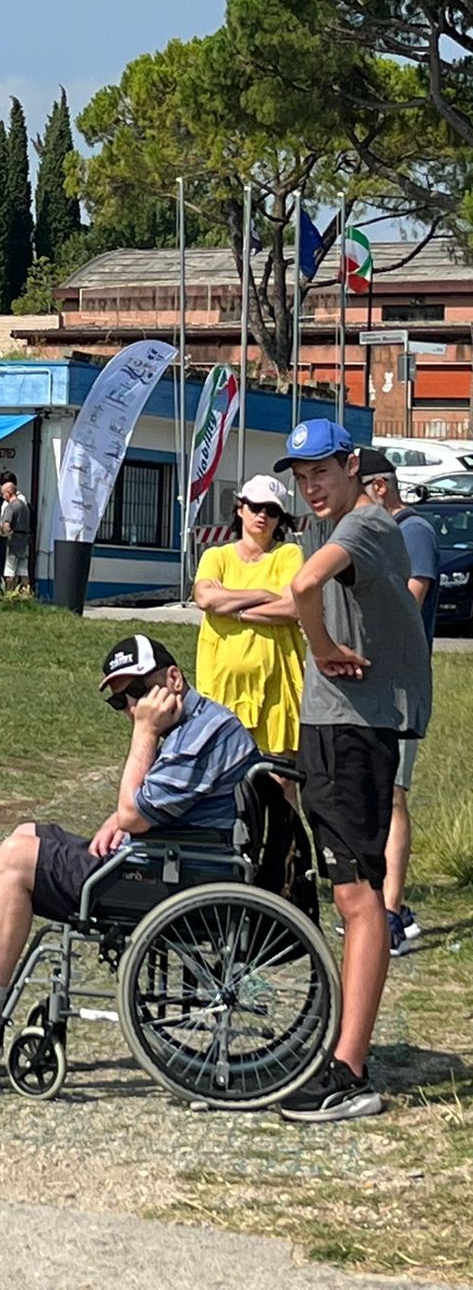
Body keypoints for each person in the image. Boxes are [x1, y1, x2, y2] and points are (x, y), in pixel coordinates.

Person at [0, 636, 257, 1056]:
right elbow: (148, 805)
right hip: (172, 861)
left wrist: (143, 734)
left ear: (174, 678)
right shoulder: (200, 723)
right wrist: (123, 818)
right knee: (27, 832)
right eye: (119, 702)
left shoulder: (198, 736)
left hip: (172, 879)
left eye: (138, 692)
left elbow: (134, 813)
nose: (131, 708)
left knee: (17, 860)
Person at [271, 419, 433, 1122]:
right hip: (339, 726)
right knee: (349, 894)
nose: (310, 489)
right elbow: (302, 591)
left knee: (358, 898)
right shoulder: (338, 528)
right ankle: (342, 1050)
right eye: (301, 479)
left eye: (321, 475)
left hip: (354, 727)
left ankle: (349, 1071)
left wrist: (323, 645)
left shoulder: (365, 525)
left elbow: (307, 587)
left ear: (353, 469)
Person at [356, 445, 440, 955]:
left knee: (393, 795)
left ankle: (391, 913)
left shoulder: (413, 533)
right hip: (372, 685)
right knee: (372, 793)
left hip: (401, 687)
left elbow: (409, 602)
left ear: (380, 487)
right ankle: (379, 907)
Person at [191, 474, 306, 755]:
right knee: (224, 779)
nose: (262, 515)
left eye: (272, 510)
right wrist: (266, 595)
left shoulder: (289, 554)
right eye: (255, 507)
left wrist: (233, 610)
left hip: (278, 688)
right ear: (240, 509)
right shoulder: (216, 557)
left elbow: (292, 608)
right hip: (221, 687)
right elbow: (205, 597)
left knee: (281, 779)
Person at [0, 474, 32, 587]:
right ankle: (26, 595)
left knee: (9, 571)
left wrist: (1, 533)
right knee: (23, 571)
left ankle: (9, 596)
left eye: (3, 494)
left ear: (9, 493)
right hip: (24, 541)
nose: (3, 497)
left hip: (13, 542)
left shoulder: (10, 507)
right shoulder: (24, 506)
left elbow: (6, 526)